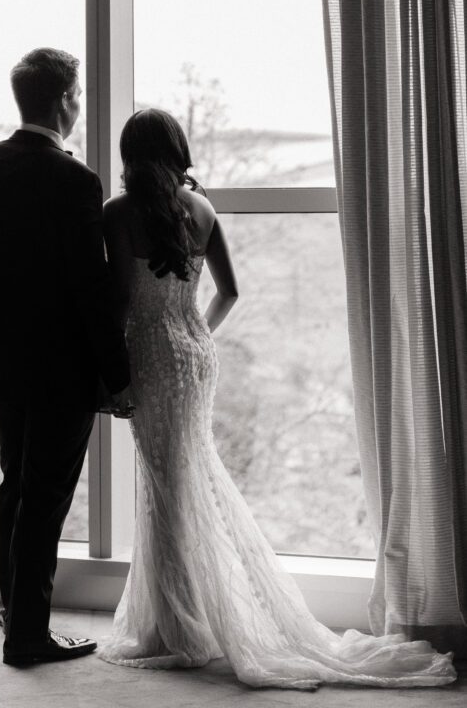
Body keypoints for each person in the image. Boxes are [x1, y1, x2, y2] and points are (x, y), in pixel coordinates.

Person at [96, 107, 456, 690]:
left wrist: (112, 371)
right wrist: (193, 336)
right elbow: (229, 292)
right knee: (184, 480)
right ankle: (187, 617)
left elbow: (117, 303)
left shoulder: (117, 213)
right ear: (177, 150)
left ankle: (178, 629)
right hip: (195, 355)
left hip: (152, 357)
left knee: (166, 487)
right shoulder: (202, 209)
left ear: (129, 155)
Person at [0, 47, 131, 667]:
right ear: (65, 100)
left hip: (2, 359)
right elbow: (90, 287)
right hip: (62, 368)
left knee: (15, 486)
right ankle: (27, 636)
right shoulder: (74, 179)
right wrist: (118, 374)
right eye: (79, 95)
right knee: (45, 498)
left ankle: (16, 612)